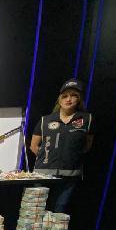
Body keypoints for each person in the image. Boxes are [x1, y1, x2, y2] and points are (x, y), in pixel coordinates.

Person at [30, 78, 94, 213]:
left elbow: (87, 145)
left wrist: (72, 156)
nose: (68, 99)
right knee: (36, 210)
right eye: (65, 96)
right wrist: (47, 158)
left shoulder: (87, 120)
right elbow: (33, 146)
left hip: (69, 175)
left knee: (59, 209)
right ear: (59, 100)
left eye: (73, 96)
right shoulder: (45, 120)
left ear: (79, 99)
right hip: (43, 174)